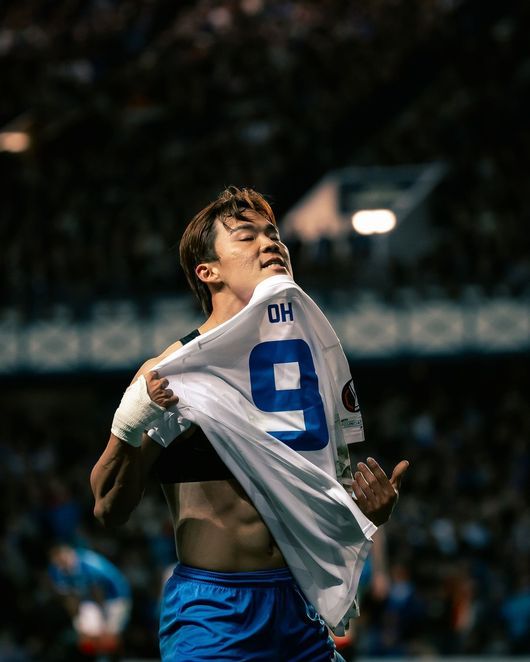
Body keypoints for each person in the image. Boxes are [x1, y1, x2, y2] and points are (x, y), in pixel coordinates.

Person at [90, 186, 409, 661]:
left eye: (273, 234)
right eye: (247, 236)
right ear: (208, 271)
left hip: (299, 608)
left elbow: (307, 495)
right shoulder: (175, 371)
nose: (270, 244)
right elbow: (107, 509)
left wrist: (366, 512)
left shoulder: (303, 365)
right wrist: (129, 424)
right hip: (216, 613)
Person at [48, 543, 132, 659]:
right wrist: (76, 618)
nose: (61, 564)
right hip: (88, 597)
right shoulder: (57, 570)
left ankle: (115, 658)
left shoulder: (88, 564)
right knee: (85, 632)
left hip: (115, 596)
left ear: (70, 554)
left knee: (110, 635)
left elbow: (99, 591)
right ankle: (96, 657)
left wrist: (103, 621)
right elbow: (69, 598)